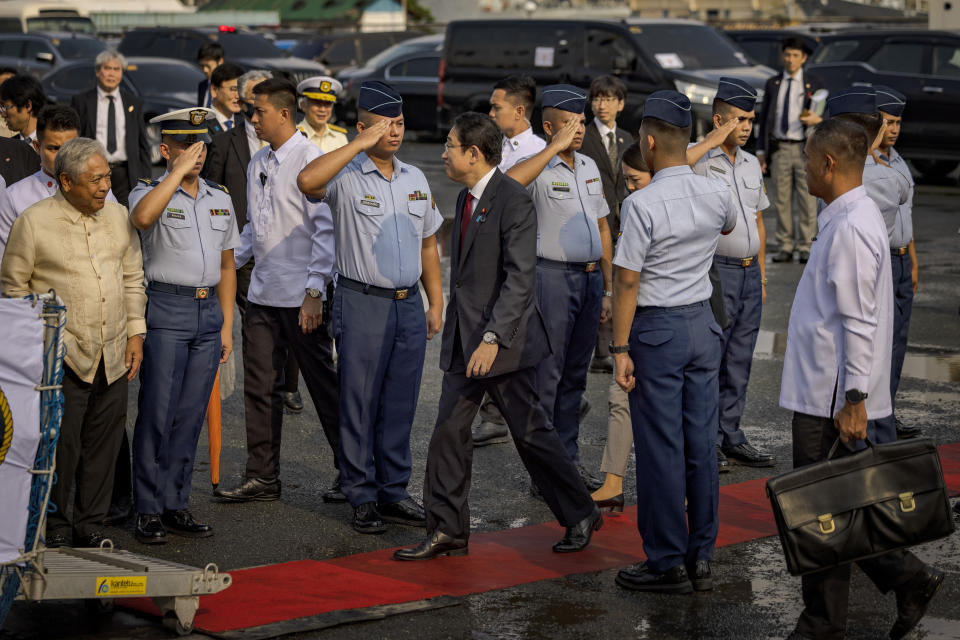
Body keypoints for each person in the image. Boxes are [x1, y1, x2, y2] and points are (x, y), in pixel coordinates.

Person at [393, 112, 602, 560]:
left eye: (449, 145)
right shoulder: (468, 197)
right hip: (465, 341)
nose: (443, 153)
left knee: (531, 434)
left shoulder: (513, 199)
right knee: (448, 432)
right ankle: (448, 528)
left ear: (473, 153)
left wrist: (492, 340)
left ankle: (581, 512)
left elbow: (520, 279)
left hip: (501, 345)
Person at [779, 116, 943, 640]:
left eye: (808, 159)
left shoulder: (850, 225)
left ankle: (822, 625)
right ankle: (907, 578)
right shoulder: (849, 213)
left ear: (829, 164)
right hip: (827, 390)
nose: (804, 166)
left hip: (830, 396)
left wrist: (853, 399)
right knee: (843, 506)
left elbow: (858, 321)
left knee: (819, 513)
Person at [297, 80, 444, 534]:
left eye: (398, 123)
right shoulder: (344, 175)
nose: (394, 132)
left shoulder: (416, 179)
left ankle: (394, 490)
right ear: (362, 127)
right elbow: (307, 181)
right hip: (362, 301)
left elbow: (428, 246)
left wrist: (436, 302)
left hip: (406, 305)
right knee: (359, 401)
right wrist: (360, 143)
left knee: (401, 402)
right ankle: (360, 493)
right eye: (383, 125)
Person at [610, 90, 736, 594]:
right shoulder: (716, 191)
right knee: (701, 445)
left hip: (658, 330)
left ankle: (665, 560)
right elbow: (727, 227)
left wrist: (619, 350)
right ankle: (700, 554)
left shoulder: (641, 203)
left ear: (650, 140)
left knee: (660, 448)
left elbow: (626, 282)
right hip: (702, 325)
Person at [1, 137, 147, 548]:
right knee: (60, 444)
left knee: (104, 442)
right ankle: (56, 521)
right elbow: (12, 291)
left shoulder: (118, 217)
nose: (104, 186)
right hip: (59, 356)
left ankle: (90, 522)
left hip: (115, 350)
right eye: (94, 180)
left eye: (107, 177)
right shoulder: (33, 222)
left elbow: (133, 277)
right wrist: (41, 346)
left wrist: (136, 331)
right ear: (66, 181)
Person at [214, 78, 342, 504]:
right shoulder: (258, 162)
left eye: (260, 111)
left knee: (324, 389)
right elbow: (253, 228)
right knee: (260, 388)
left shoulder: (311, 158)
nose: (254, 118)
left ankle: (353, 471)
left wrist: (314, 291)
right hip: (264, 295)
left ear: (284, 114)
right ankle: (262, 476)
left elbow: (325, 231)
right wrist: (223, 263)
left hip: (301, 297)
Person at [128, 108, 239, 545]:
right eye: (187, 145)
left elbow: (228, 265)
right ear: (166, 150)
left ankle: (175, 502)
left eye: (202, 145)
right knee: (157, 412)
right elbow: (140, 219)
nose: (198, 153)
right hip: (166, 309)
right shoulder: (148, 191)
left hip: (207, 312)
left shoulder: (220, 197)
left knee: (190, 415)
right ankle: (147, 508)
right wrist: (173, 174)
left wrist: (227, 324)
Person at [506, 84, 613, 493]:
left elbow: (603, 225)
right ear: (549, 126)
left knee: (575, 376)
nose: (579, 129)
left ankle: (568, 462)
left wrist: (606, 287)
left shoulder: (588, 166)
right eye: (569, 123)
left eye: (582, 122)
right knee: (547, 377)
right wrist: (552, 149)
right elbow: (509, 185)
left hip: (588, 279)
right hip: (551, 277)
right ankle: (544, 472)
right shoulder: (536, 166)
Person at [686, 77, 777, 471]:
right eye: (739, 119)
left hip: (748, 273)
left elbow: (757, 219)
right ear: (719, 118)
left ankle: (731, 433)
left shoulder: (751, 162)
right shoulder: (699, 158)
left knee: (740, 358)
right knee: (713, 358)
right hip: (715, 273)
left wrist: (761, 270)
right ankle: (708, 441)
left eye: (751, 120)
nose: (746, 127)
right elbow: (671, 166)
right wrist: (712, 139)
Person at [473, 74, 548, 447]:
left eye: (496, 107)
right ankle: (494, 415)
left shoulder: (539, 150)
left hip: (522, 256)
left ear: (519, 111)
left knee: (513, 334)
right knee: (491, 328)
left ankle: (511, 413)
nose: (490, 112)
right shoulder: (495, 145)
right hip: (491, 256)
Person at [591, 141, 649, 511]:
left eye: (634, 179)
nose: (628, 187)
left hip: (651, 314)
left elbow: (632, 275)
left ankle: (682, 488)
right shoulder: (630, 205)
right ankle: (613, 481)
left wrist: (621, 344)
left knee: (649, 402)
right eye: (625, 180)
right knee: (620, 399)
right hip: (648, 313)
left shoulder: (643, 206)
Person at [1, 105, 118, 257]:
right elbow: (7, 264)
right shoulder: (14, 198)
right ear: (37, 147)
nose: (64, 157)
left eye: (71, 148)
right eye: (54, 149)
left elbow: (117, 244)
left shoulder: (100, 190)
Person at [875, 85, 921, 440]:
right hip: (883, 261)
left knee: (898, 343)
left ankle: (887, 411)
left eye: (897, 122)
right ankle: (876, 417)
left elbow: (907, 216)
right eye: (888, 122)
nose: (893, 129)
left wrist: (914, 261)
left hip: (903, 260)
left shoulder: (900, 160)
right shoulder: (865, 163)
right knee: (879, 343)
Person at [581, 75, 634, 375]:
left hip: (621, 220)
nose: (602, 105)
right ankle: (599, 352)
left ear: (621, 104)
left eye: (609, 99)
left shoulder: (628, 138)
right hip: (594, 218)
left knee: (620, 280)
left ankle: (615, 346)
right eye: (598, 99)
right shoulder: (584, 136)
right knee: (602, 283)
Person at [757, 37, 825, 264]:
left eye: (795, 55)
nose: (790, 60)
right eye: (787, 55)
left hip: (805, 148)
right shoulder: (773, 83)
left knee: (807, 199)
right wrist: (761, 151)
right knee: (782, 199)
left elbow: (824, 112)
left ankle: (807, 245)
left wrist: (819, 120)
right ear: (782, 56)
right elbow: (765, 117)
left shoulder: (813, 83)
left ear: (803, 58)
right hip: (780, 147)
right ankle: (785, 245)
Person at [71, 50, 151, 206]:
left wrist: (146, 180)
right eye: (107, 68)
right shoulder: (81, 101)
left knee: (125, 221)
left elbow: (142, 144)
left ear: (122, 73)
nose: (111, 74)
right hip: (93, 172)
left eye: (117, 69)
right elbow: (74, 140)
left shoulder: (133, 102)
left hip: (125, 174)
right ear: (97, 71)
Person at [296, 76, 349, 153]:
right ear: (303, 105)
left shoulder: (340, 138)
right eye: (317, 103)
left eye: (328, 104)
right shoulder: (294, 137)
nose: (322, 109)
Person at [0, 74, 48, 146]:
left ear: (28, 105)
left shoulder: (51, 142)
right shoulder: (8, 146)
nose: (3, 115)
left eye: (6, 107)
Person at [208, 63, 245, 133]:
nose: (238, 96)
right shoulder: (200, 125)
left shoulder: (247, 122)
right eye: (234, 89)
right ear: (214, 90)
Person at [196, 42, 225, 108]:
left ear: (220, 61)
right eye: (202, 66)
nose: (205, 70)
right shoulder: (202, 85)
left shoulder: (229, 86)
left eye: (208, 66)